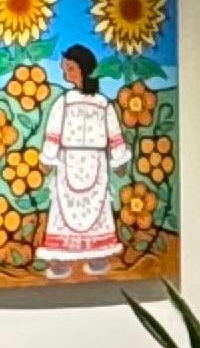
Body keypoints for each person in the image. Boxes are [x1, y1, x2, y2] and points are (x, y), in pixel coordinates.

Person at [32, 44, 130, 275]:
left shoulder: (103, 104)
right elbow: (53, 132)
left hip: (96, 164)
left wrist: (119, 158)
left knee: (97, 207)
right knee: (63, 209)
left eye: (70, 68)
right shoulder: (64, 102)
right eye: (64, 68)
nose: (65, 73)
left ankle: (98, 259)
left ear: (85, 69)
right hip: (68, 163)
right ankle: (61, 262)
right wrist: (48, 158)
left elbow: (114, 134)